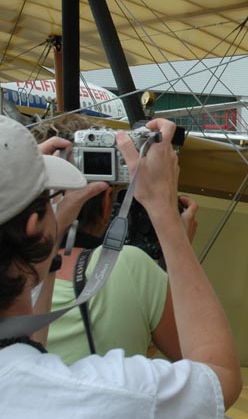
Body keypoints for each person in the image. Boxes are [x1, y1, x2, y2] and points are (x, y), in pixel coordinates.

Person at [0, 116, 242, 417]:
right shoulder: (97, 393)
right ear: (33, 228)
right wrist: (166, 216)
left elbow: (25, 347)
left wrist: (47, 238)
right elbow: (219, 376)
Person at [30, 115, 183, 364]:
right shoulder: (134, 268)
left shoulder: (11, 278)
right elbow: (214, 374)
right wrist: (174, 235)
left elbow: (27, 360)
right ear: (105, 203)